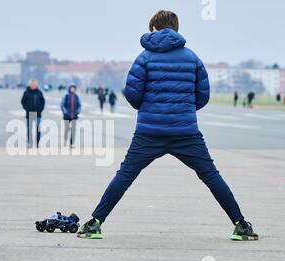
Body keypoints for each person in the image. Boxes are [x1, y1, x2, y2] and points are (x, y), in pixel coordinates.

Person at [77, 10, 258, 242]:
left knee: (125, 175)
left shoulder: (144, 58)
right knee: (211, 175)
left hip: (149, 132)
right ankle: (240, 224)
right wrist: (183, 111)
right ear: (176, 29)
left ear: (154, 28)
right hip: (186, 132)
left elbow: (133, 96)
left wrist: (151, 108)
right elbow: (202, 96)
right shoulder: (192, 58)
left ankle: (95, 223)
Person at [21, 80, 45, 148]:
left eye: (35, 84)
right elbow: (23, 102)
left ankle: (38, 143)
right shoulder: (26, 93)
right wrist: (27, 108)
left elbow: (43, 102)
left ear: (37, 85)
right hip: (29, 113)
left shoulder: (39, 93)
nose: (34, 85)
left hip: (38, 114)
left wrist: (40, 109)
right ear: (30, 85)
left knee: (38, 129)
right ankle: (29, 143)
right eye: (32, 84)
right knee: (30, 129)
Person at [60, 84, 82, 148]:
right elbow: (62, 105)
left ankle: (72, 143)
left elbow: (79, 105)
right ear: (69, 89)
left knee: (73, 129)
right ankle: (65, 140)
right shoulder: (66, 96)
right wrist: (65, 112)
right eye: (72, 88)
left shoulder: (76, 97)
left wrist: (78, 112)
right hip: (67, 116)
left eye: (74, 88)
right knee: (67, 129)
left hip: (74, 115)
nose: (73, 89)